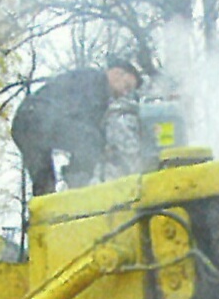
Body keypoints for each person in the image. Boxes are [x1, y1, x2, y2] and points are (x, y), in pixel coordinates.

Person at [11, 58, 142, 196]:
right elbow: (89, 126)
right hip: (39, 118)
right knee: (90, 139)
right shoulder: (95, 81)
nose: (125, 93)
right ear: (116, 73)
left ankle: (47, 211)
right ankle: (79, 192)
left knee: (44, 183)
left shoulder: (86, 81)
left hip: (22, 122)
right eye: (126, 86)